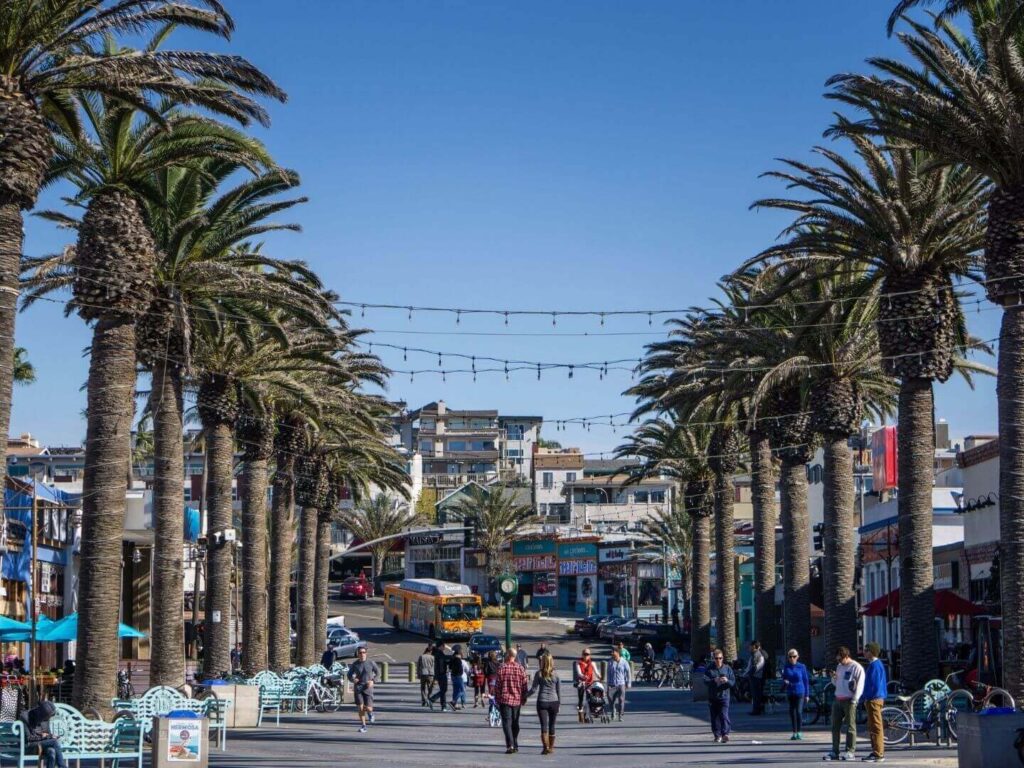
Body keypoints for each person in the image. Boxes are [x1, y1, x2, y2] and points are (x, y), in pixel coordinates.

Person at [824, 646, 864, 761]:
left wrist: (855, 699)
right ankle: (834, 751)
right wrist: (833, 678)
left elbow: (860, 684)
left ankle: (850, 751)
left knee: (850, 726)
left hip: (849, 700)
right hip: (838, 698)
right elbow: (837, 683)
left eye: (840, 659)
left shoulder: (856, 667)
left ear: (846, 656)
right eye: (838, 660)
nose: (839, 662)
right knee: (835, 726)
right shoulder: (839, 666)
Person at [494, 649, 529, 754]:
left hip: (504, 700)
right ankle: (515, 743)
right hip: (517, 700)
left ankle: (511, 745)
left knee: (507, 723)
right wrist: (524, 698)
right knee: (515, 723)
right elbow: (524, 685)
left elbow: (497, 686)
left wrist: (497, 698)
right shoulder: (520, 668)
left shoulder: (502, 668)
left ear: (508, 655)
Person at [526, 651, 561, 754]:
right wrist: (559, 704)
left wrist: (524, 696)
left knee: (543, 725)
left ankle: (545, 747)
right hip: (554, 701)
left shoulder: (539, 673)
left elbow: (533, 689)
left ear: (543, 662)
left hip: (542, 702)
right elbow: (559, 691)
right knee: (552, 725)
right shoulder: (556, 674)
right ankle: (551, 747)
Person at [862, 642, 889, 763]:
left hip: (874, 699)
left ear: (872, 652)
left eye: (866, 650)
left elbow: (874, 685)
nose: (864, 652)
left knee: (876, 726)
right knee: (873, 726)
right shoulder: (875, 665)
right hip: (873, 698)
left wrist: (867, 697)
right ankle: (875, 751)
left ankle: (878, 753)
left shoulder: (875, 666)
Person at [21, 700, 66, 768]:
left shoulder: (45, 719)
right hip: (29, 746)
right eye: (45, 717)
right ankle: (62, 766)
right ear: (41, 713)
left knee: (51, 751)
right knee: (54, 742)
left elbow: (47, 734)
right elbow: (28, 738)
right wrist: (45, 737)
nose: (45, 719)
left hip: (41, 745)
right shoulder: (25, 717)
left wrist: (50, 736)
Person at [703, 649, 735, 743]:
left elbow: (733, 682)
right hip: (713, 696)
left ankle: (725, 734)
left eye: (720, 658)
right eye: (716, 658)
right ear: (713, 659)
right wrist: (714, 680)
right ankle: (717, 735)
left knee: (724, 715)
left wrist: (727, 681)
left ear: (723, 658)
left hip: (724, 696)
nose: (718, 660)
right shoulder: (709, 668)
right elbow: (705, 680)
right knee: (714, 717)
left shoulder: (727, 668)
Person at [346, 647, 380, 733]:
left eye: (364, 652)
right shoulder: (355, 664)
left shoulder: (371, 663)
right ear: (358, 654)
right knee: (360, 708)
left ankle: (370, 713)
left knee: (368, 708)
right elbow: (349, 675)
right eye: (360, 653)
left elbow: (378, 673)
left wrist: (373, 681)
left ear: (366, 653)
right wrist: (353, 680)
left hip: (368, 688)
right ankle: (363, 726)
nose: (362, 654)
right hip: (358, 688)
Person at [780, 648, 811, 741]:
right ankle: (794, 732)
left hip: (800, 691)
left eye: (794, 656)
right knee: (792, 712)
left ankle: (799, 732)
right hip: (790, 692)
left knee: (798, 712)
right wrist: (785, 681)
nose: (792, 658)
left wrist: (807, 695)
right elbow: (784, 677)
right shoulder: (786, 667)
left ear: (797, 657)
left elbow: (806, 681)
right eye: (790, 657)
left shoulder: (802, 666)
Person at [573, 648, 599, 722]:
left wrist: (599, 676)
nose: (586, 656)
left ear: (590, 655)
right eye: (584, 654)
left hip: (589, 683)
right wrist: (583, 676)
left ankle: (586, 715)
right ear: (582, 655)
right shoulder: (578, 663)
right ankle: (580, 714)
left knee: (589, 700)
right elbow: (579, 673)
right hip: (581, 683)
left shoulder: (592, 663)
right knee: (580, 700)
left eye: (587, 654)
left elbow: (596, 672)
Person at [607, 647, 632, 721]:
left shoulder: (624, 662)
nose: (611, 654)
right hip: (612, 684)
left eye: (613, 652)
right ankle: (613, 711)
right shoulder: (610, 662)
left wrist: (629, 682)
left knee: (621, 700)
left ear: (617, 653)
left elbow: (628, 672)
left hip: (621, 684)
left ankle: (620, 715)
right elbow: (608, 673)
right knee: (611, 699)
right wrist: (608, 684)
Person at [429, 641, 451, 711]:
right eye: (444, 646)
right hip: (441, 674)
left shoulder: (437, 653)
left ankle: (443, 706)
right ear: (440, 646)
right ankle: (432, 699)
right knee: (444, 690)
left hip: (439, 674)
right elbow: (441, 664)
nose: (444, 647)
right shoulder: (439, 653)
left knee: (443, 690)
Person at [746, 641, 766, 715]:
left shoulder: (756, 655)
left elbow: (755, 666)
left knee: (755, 694)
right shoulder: (756, 654)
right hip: (757, 676)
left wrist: (749, 674)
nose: (749, 647)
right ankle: (756, 709)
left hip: (755, 677)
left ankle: (756, 710)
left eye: (750, 646)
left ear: (754, 646)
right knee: (756, 694)